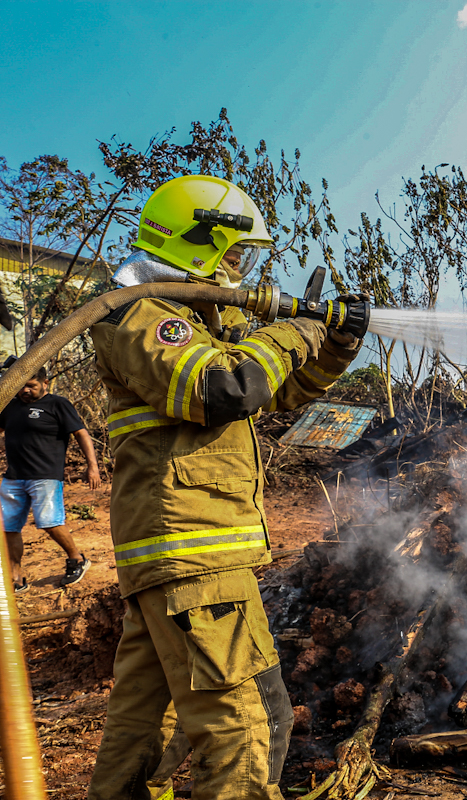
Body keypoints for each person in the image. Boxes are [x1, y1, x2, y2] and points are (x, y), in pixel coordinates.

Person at [86, 175, 362, 800]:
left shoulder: (197, 317)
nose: (243, 269)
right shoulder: (139, 314)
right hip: (192, 554)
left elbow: (275, 391)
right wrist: (300, 329)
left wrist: (335, 340)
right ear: (195, 244)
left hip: (179, 557)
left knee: (142, 732)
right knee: (250, 728)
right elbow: (225, 390)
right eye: (236, 254)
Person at [1, 366, 101, 591]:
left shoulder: (58, 404)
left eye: (32, 386)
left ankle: (77, 559)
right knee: (8, 528)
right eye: (22, 386)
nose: (26, 390)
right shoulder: (10, 407)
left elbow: (81, 433)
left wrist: (92, 466)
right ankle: (17, 578)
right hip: (13, 478)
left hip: (45, 476)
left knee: (49, 522)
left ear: (45, 383)